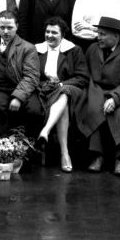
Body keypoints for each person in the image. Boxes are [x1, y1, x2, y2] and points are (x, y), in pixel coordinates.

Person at [76, 16, 120, 176]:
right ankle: (97, 156)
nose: (99, 37)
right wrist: (95, 94)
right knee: (95, 108)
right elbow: (87, 75)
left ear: (116, 36)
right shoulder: (92, 49)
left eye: (103, 34)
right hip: (96, 90)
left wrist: (115, 98)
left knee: (118, 114)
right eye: (98, 33)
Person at [34, 17, 89, 173]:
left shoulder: (74, 50)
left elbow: (82, 77)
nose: (49, 35)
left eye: (54, 32)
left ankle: (46, 131)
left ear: (63, 34)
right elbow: (31, 74)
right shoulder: (37, 50)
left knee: (64, 93)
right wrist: (44, 85)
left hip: (71, 89)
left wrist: (61, 84)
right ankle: (64, 153)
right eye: (47, 31)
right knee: (62, 104)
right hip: (45, 89)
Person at [0, 11, 41, 140]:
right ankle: (1, 146)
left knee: (34, 110)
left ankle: (30, 147)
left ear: (17, 27)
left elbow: (31, 77)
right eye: (2, 27)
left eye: (10, 27)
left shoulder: (27, 48)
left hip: (21, 86)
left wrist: (18, 97)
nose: (6, 31)